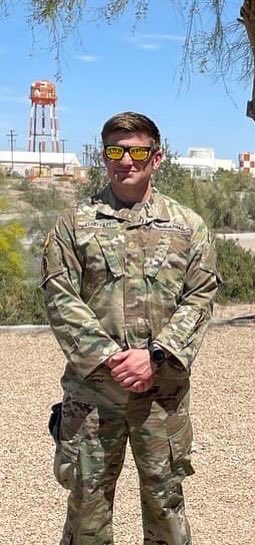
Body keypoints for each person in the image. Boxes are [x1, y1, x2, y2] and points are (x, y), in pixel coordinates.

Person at [42, 111, 220, 545]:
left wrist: (154, 357)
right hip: (93, 397)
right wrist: (109, 358)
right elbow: (58, 295)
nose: (127, 160)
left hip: (161, 395)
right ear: (103, 157)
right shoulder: (72, 225)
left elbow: (200, 296)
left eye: (138, 150)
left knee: (165, 506)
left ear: (156, 158)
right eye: (115, 151)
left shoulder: (188, 226)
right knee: (87, 510)